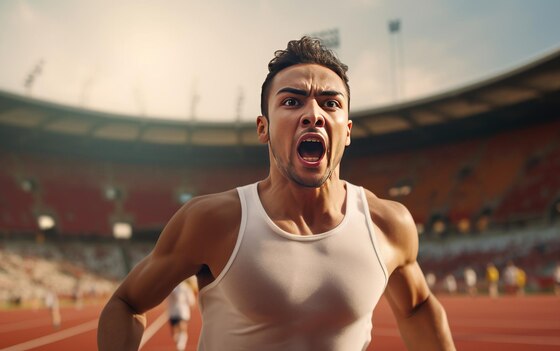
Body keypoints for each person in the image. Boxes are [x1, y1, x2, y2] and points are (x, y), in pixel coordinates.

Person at [98, 37, 455, 350]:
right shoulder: (213, 221)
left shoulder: (388, 224)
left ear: (346, 131)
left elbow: (417, 307)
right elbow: (126, 303)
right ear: (262, 128)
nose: (313, 114)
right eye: (292, 102)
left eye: (330, 103)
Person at [168, 278, 197, 351]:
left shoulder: (184, 288)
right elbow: (192, 302)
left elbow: (191, 301)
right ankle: (180, 344)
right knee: (176, 333)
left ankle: (181, 346)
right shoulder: (173, 288)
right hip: (175, 312)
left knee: (181, 328)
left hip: (180, 312)